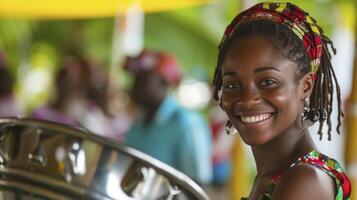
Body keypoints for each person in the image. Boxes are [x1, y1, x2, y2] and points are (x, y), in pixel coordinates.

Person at [212, 2, 351, 200]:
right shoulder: (273, 175)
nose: (248, 99)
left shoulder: (305, 179)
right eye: (232, 85)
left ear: (305, 86)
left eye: (268, 82)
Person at [124, 50, 212, 184]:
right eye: (135, 78)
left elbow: (198, 183)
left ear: (164, 83)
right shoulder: (139, 122)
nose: (134, 86)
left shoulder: (187, 123)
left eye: (142, 79)